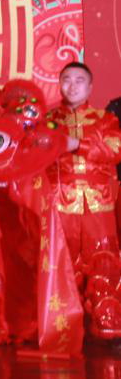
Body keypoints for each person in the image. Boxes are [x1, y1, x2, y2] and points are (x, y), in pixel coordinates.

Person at [47, 61, 121, 343]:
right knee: (62, 263)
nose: (72, 85)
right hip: (59, 203)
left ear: (90, 87)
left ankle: (107, 321)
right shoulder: (47, 120)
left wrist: (78, 145)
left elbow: (115, 149)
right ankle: (64, 325)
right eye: (66, 79)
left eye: (79, 80)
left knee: (103, 260)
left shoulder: (105, 119)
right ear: (59, 84)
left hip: (97, 204)